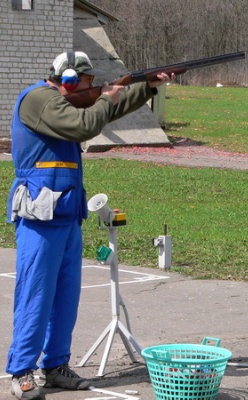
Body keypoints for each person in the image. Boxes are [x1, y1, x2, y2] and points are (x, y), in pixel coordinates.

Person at [6, 50, 173, 400]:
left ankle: (55, 367)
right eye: (87, 81)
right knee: (35, 298)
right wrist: (107, 97)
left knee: (65, 299)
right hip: (40, 217)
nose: (93, 86)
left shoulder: (62, 102)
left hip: (67, 214)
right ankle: (21, 371)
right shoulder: (40, 100)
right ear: (68, 79)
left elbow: (106, 107)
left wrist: (147, 87)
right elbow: (87, 123)